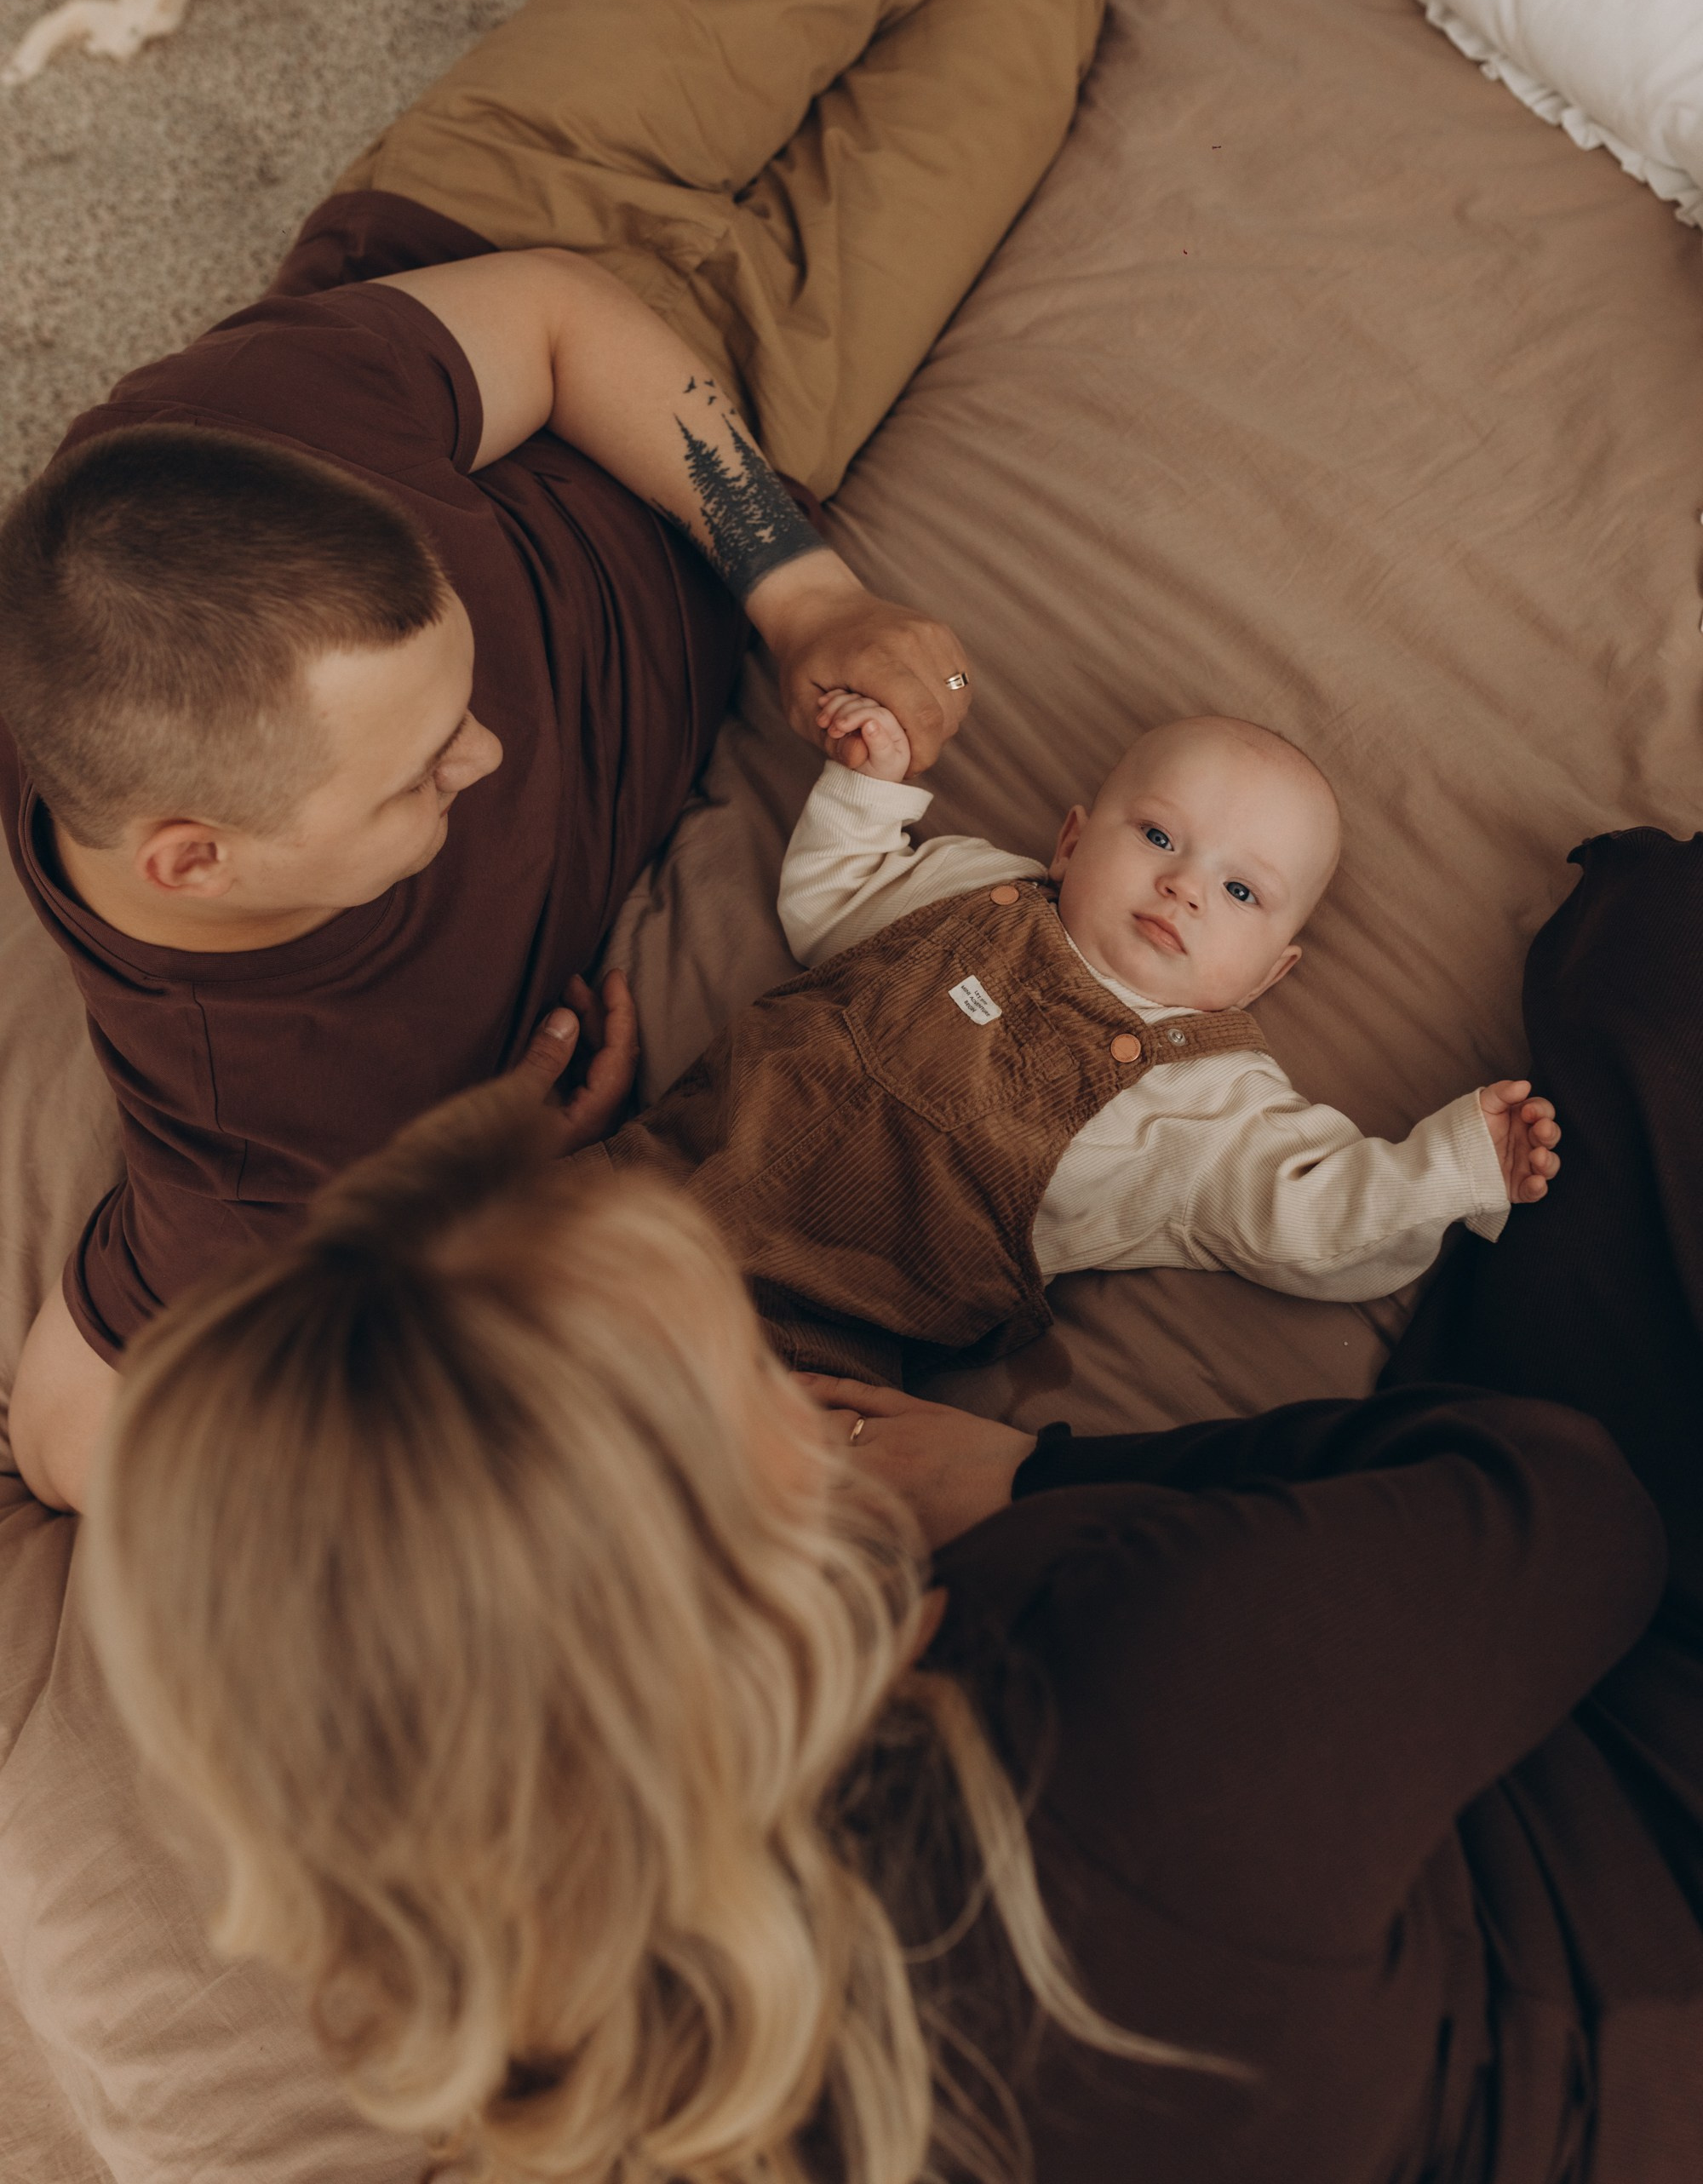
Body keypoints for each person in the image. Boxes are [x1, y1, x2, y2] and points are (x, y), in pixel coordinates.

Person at [0, 0, 1296, 1513]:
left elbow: (539, 315)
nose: (490, 744)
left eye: (449, 689)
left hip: (501, 222)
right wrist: (461, 1184)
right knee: (1043, 12)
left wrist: (806, 596)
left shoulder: (178, 486)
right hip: (764, 393)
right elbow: (69, 1441)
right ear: (195, 860)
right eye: (414, 776)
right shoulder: (264, 1134)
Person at [83, 827, 1703, 2181]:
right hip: (1621, 1843)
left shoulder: (559, 2060)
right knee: (1656, 961)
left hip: (1370, 1873)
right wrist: (1034, 1472)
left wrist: (480, 1256)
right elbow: (1573, 1507)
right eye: (735, 1363)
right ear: (734, 1545)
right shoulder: (1113, 1673)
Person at [592, 712, 1559, 1378]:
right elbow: (832, 902)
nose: (1184, 885)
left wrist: (1452, 1164)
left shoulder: (1216, 1101)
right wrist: (868, 784)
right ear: (1068, 842)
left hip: (804, 1341)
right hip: (637, 1192)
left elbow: (1316, 1224)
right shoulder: (967, 887)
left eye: (1239, 892)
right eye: (1157, 836)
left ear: (1273, 973)